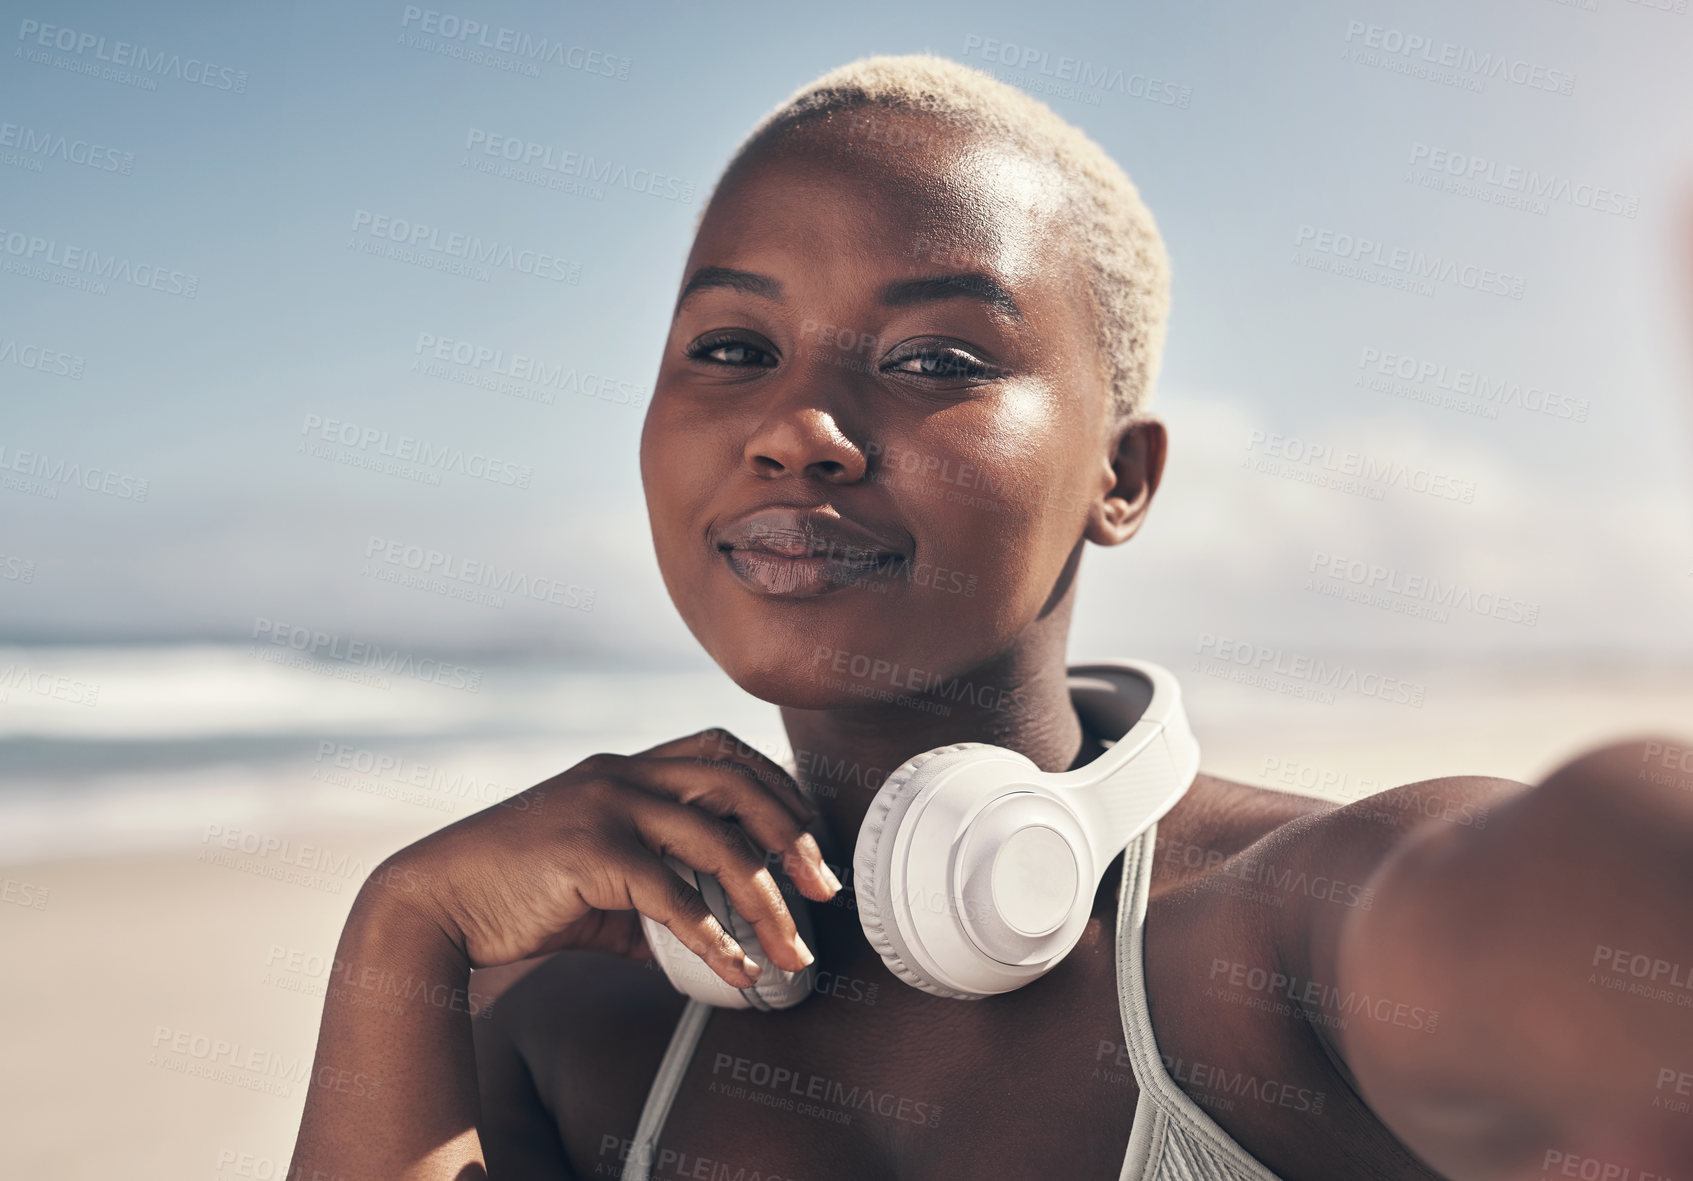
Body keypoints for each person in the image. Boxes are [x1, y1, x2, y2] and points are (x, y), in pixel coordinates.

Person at [288, 54, 1693, 1180]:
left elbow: (1609, 884)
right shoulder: (560, 1027)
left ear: (1119, 476)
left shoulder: (1298, 934)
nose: (796, 427)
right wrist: (400, 928)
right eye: (732, 347)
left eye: (936, 356)